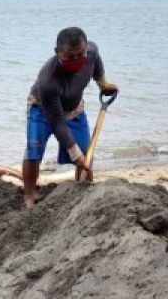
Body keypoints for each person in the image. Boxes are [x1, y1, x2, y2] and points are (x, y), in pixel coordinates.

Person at [22, 27, 119, 209]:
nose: (75, 60)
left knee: (86, 154)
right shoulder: (48, 80)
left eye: (80, 55)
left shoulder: (91, 52)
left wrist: (102, 83)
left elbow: (96, 61)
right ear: (57, 53)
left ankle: (85, 194)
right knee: (34, 151)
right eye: (69, 56)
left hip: (74, 110)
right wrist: (75, 155)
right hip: (43, 110)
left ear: (85, 50)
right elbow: (57, 123)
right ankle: (29, 196)